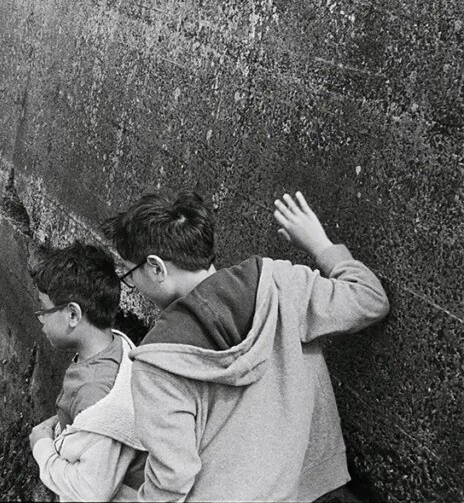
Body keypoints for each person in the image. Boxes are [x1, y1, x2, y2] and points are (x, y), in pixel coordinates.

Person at [102, 190, 389, 502]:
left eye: (129, 275)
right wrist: (320, 244)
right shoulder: (279, 284)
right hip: (315, 490)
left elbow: (172, 479)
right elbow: (369, 301)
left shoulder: (156, 362)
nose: (132, 286)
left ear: (156, 267)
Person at [28, 241, 148, 502]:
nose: (41, 319)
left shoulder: (95, 392)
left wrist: (42, 447)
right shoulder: (114, 349)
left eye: (44, 311)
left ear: (73, 314)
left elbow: (90, 491)